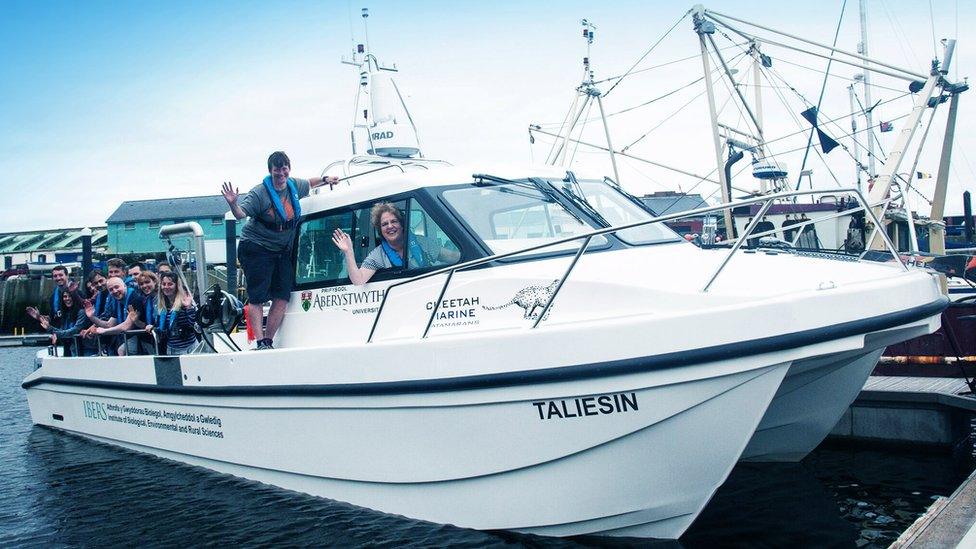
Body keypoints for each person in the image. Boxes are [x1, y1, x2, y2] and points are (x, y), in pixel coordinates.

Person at [221, 150, 337, 350]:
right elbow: (241, 214)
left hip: (280, 248)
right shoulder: (260, 193)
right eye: (277, 170)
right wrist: (233, 203)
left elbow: (310, 183)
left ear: (288, 170)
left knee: (283, 295)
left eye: (284, 169)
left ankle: (268, 339)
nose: (281, 174)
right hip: (256, 246)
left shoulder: (294, 185)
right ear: (270, 171)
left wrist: (327, 179)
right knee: (257, 295)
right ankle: (259, 341)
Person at [331, 201, 460, 286]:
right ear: (380, 229)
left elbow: (453, 256)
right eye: (384, 224)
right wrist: (348, 251)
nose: (390, 226)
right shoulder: (378, 255)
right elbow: (358, 280)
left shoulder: (422, 243)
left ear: (402, 224)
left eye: (394, 221)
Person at [81, 277, 153, 356]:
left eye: (117, 287)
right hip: (134, 339)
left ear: (124, 286)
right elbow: (109, 324)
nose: (115, 291)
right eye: (111, 289)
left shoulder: (134, 298)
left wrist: (104, 331)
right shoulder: (117, 301)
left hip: (148, 339)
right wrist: (92, 317)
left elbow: (127, 326)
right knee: (121, 350)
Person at [150, 271, 199, 355]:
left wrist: (189, 308)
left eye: (170, 284)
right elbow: (162, 328)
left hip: (190, 348)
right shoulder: (161, 306)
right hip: (171, 349)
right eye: (164, 284)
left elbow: (195, 325)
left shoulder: (185, 301)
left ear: (176, 286)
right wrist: (152, 327)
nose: (166, 287)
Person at [38, 290, 96, 356]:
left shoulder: (82, 312)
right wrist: (49, 327)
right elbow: (64, 331)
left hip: (85, 348)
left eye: (70, 296)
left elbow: (74, 331)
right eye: (65, 296)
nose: (67, 298)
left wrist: (51, 329)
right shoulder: (66, 313)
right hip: (72, 347)